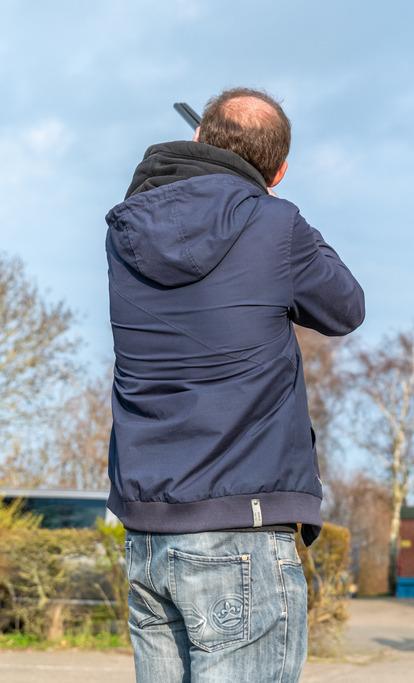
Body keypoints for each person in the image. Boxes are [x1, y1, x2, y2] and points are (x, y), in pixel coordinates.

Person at [105, 87, 365, 681]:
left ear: (197, 138)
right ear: (278, 171)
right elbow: (344, 307)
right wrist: (278, 209)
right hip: (239, 528)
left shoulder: (126, 230)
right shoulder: (275, 222)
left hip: (149, 530)